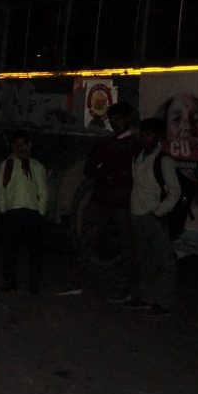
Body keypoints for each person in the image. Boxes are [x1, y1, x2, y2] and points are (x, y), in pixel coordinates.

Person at [56, 102, 139, 299]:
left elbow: (128, 174)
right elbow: (89, 169)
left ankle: (123, 288)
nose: (115, 123)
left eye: (118, 119)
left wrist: (106, 170)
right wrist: (110, 171)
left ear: (128, 120)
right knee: (86, 241)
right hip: (101, 199)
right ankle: (76, 281)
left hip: (121, 202)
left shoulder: (134, 146)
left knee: (127, 246)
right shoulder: (106, 143)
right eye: (112, 119)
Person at [126, 117, 181, 317]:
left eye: (148, 133)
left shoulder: (164, 161)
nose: (143, 137)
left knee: (164, 260)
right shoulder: (138, 157)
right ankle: (146, 297)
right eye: (142, 133)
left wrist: (158, 212)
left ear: (157, 137)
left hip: (153, 216)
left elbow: (174, 191)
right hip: (138, 214)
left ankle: (164, 302)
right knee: (145, 259)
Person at [0, 129, 48, 294]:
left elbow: (43, 191)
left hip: (31, 213)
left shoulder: (36, 166)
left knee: (35, 251)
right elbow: (1, 189)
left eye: (23, 144)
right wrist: (3, 210)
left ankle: (34, 284)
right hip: (12, 213)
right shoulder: (6, 165)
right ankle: (10, 282)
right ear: (12, 146)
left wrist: (40, 212)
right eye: (16, 144)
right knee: (10, 250)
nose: (20, 147)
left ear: (29, 145)